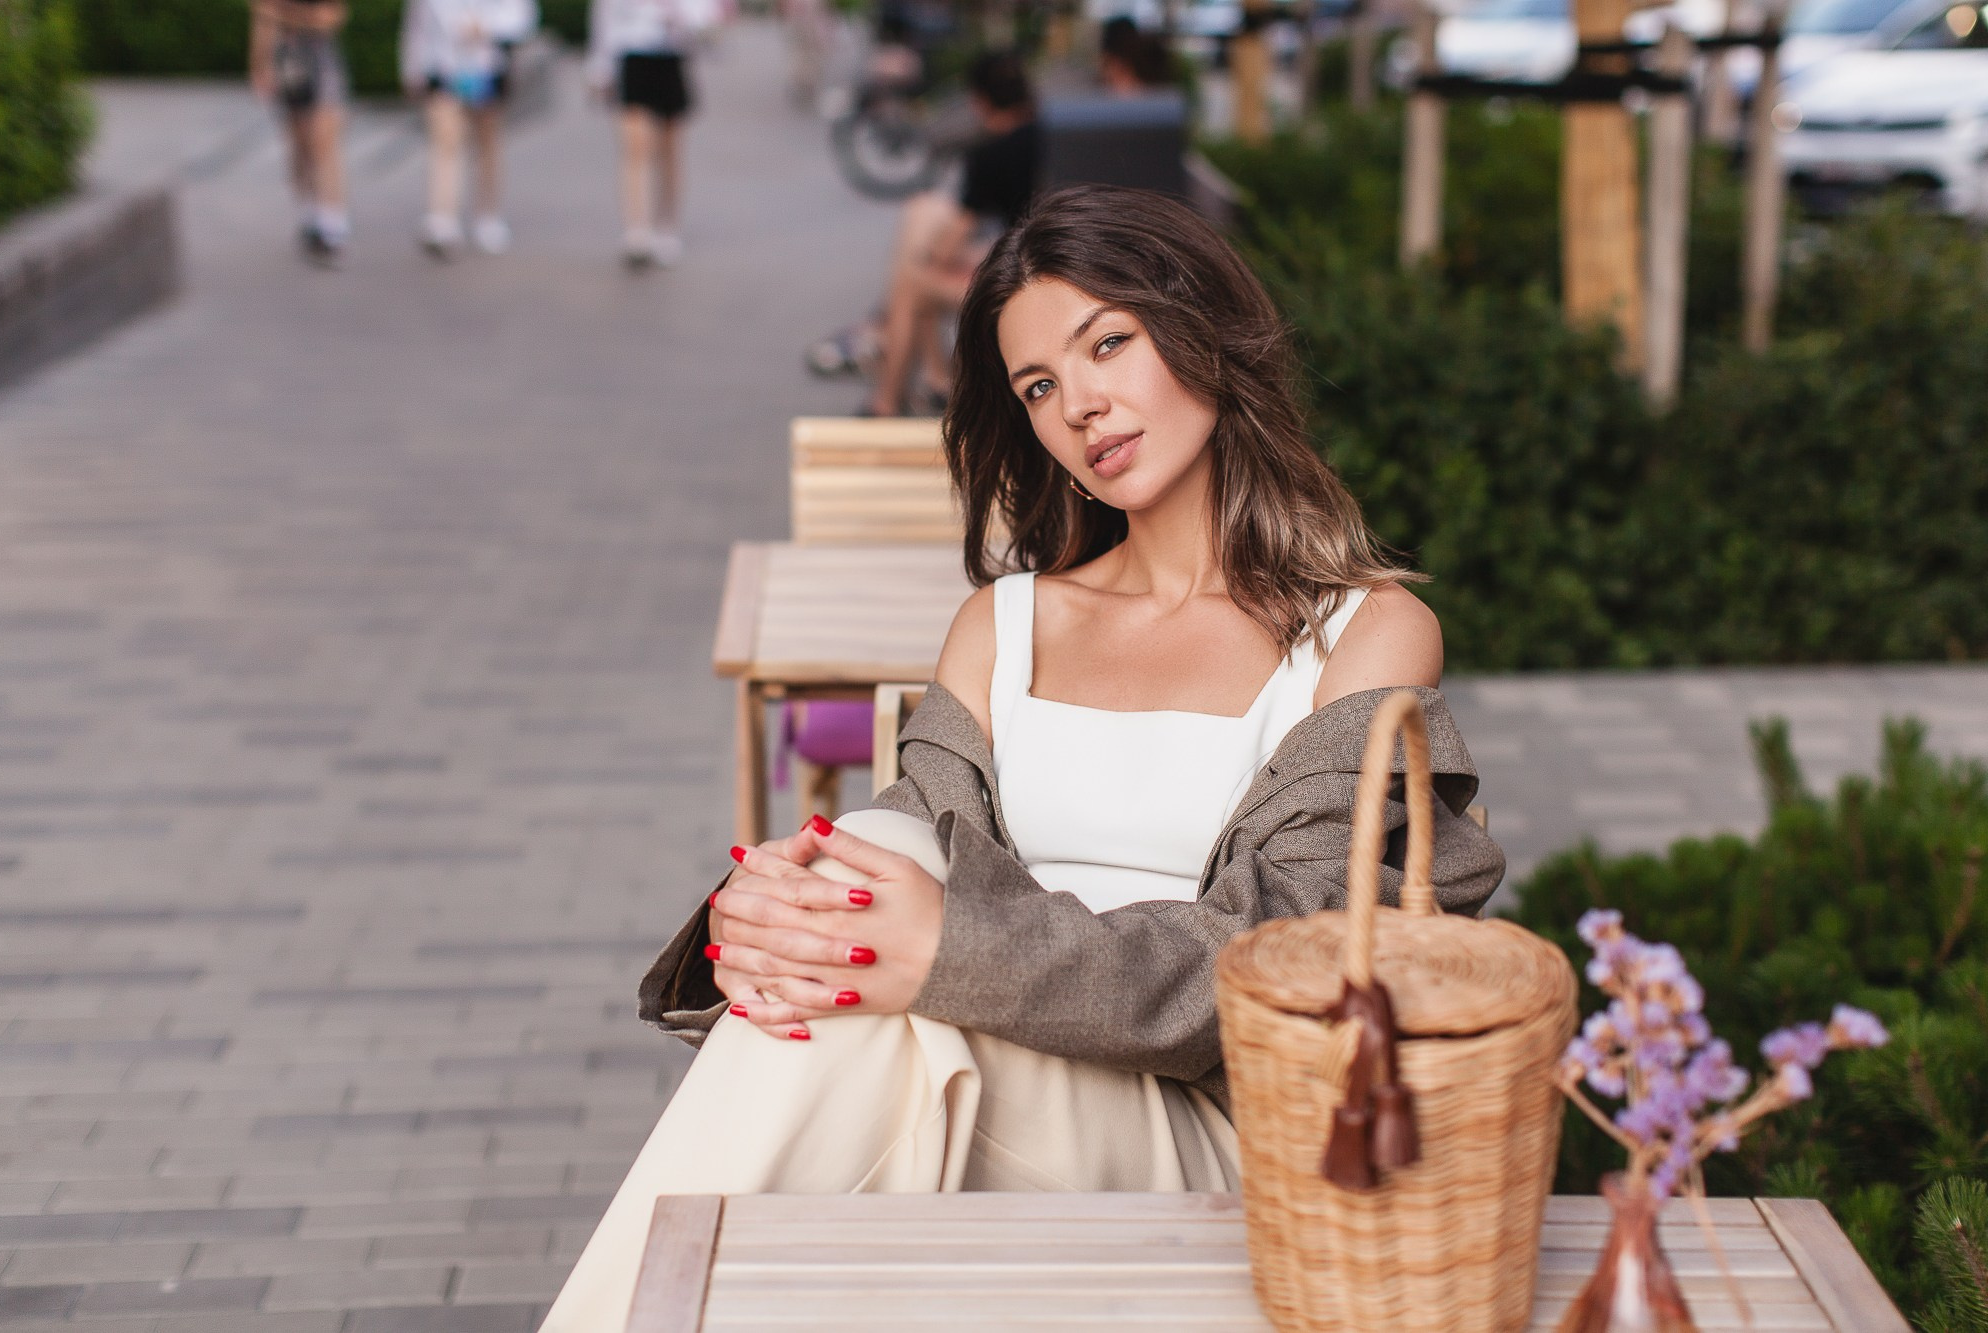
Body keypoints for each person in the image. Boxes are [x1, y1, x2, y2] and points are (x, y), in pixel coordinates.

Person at [540, 185, 1505, 1332]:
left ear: (1199, 327)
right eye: (1039, 387)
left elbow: (1276, 964)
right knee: (864, 937)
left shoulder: (1361, 631)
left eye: (1108, 343)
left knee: (885, 1008)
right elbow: (914, 844)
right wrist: (780, 912)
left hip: (1225, 1135)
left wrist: (936, 948)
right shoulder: (999, 625)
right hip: (980, 1074)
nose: (1081, 406)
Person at [807, 51, 1040, 417]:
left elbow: (950, 247)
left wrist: (937, 257)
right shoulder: (1048, 132)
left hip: (1033, 276)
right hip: (1054, 257)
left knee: (913, 281)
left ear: (979, 101)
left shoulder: (992, 153)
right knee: (924, 229)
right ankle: (933, 378)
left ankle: (888, 398)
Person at [587, 0, 720, 269]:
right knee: (635, 146)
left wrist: (680, 15)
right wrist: (599, 68)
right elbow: (605, 17)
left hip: (670, 56)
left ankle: (666, 225)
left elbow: (706, 16)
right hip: (632, 57)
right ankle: (637, 229)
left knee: (669, 149)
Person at [402, 0, 539, 257]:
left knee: (487, 144)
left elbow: (523, 18)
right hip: (444, 68)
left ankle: (487, 215)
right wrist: (413, 68)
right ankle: (443, 218)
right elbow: (417, 24)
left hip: (486, 67)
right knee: (445, 141)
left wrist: (487, 27)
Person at [249, 0, 353, 265]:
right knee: (300, 145)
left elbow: (330, 18)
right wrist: (260, 66)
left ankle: (332, 221)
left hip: (322, 62)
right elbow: (261, 20)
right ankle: (311, 210)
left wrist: (284, 15)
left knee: (325, 143)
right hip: (288, 61)